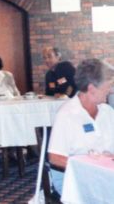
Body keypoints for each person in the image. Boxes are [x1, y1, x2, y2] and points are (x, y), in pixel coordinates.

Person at [48, 58, 114, 195]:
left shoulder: (107, 112)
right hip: (73, 179)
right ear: (91, 89)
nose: (111, 91)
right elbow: (55, 158)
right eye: (108, 86)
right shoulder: (67, 114)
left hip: (105, 175)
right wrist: (90, 167)